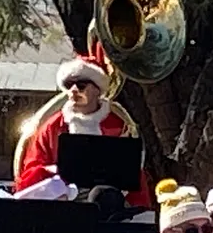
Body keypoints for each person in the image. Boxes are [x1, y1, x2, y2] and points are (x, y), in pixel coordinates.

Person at [14, 52, 148, 206]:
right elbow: (32, 169)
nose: (74, 90)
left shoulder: (120, 125)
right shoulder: (52, 127)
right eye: (69, 85)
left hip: (109, 205)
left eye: (81, 85)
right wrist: (57, 172)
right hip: (64, 205)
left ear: (97, 89)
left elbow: (133, 172)